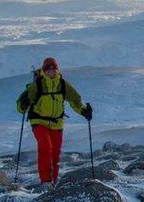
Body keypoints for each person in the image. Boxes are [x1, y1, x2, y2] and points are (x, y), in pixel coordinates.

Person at [16, 57, 92, 189]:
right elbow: (21, 106)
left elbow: (75, 101)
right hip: (38, 120)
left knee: (55, 153)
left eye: (53, 68)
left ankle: (54, 183)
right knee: (45, 147)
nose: (51, 71)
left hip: (57, 123)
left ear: (57, 70)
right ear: (44, 71)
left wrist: (84, 111)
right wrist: (23, 105)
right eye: (48, 69)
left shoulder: (63, 84)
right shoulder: (37, 85)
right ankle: (46, 182)